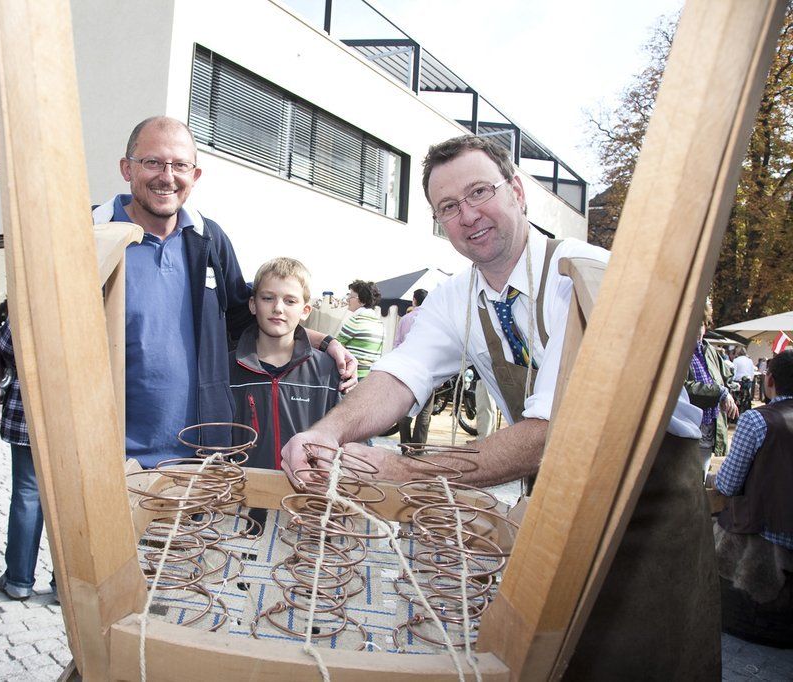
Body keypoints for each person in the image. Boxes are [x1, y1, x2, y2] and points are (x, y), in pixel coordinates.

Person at [281, 134, 717, 679]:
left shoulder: (586, 277)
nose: (468, 215)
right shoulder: (457, 296)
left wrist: (404, 472)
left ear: (517, 191)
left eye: (479, 192)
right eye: (448, 206)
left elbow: (554, 433)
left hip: (649, 506)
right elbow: (400, 373)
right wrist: (328, 432)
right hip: (560, 508)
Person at [90, 116, 354, 468]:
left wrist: (324, 342)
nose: (167, 176)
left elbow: (247, 318)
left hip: (200, 459)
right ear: (127, 168)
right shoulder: (92, 235)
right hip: (108, 457)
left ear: (195, 175)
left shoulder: (208, 239)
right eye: (153, 162)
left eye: (180, 165)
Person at [230, 257, 341, 469]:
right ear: (253, 305)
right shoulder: (226, 371)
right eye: (268, 298)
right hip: (244, 488)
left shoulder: (328, 373)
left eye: (290, 301)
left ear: (305, 310)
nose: (278, 308)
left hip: (310, 489)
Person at [714, 349, 793, 645]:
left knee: (719, 526)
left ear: (769, 380)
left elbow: (728, 484)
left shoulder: (756, 420)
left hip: (763, 536)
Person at [0, 319, 53, 601]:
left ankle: (18, 581)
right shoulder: (90, 300)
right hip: (72, 417)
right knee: (69, 503)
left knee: (27, 495)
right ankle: (66, 587)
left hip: (27, 412)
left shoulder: (28, 300)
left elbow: (5, 344)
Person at [686, 318, 738, 471]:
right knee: (686, 475)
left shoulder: (710, 350)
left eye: (701, 323)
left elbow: (725, 378)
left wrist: (730, 389)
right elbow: (681, 387)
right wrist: (720, 392)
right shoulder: (679, 351)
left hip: (710, 426)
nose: (697, 328)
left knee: (702, 472)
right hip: (687, 425)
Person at [395, 289, 434, 444]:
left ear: (414, 300)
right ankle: (418, 449)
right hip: (428, 371)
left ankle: (405, 445)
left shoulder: (405, 319)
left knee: (405, 409)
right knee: (424, 412)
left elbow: (397, 345)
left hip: (407, 370)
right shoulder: (432, 320)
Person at [337, 279, 384, 381]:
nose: (348, 299)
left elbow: (337, 347)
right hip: (370, 377)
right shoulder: (379, 323)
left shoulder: (356, 321)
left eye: (351, 296)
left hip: (352, 376)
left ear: (362, 301)